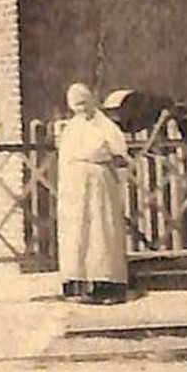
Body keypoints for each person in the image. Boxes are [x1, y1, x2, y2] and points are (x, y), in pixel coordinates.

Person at [57, 82, 131, 305]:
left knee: (101, 231)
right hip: (76, 188)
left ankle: (106, 286)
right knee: (77, 232)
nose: (81, 109)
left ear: (92, 101)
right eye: (76, 106)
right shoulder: (70, 129)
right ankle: (77, 284)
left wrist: (102, 156)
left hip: (100, 186)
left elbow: (118, 154)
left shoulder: (106, 127)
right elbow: (66, 159)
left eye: (84, 103)